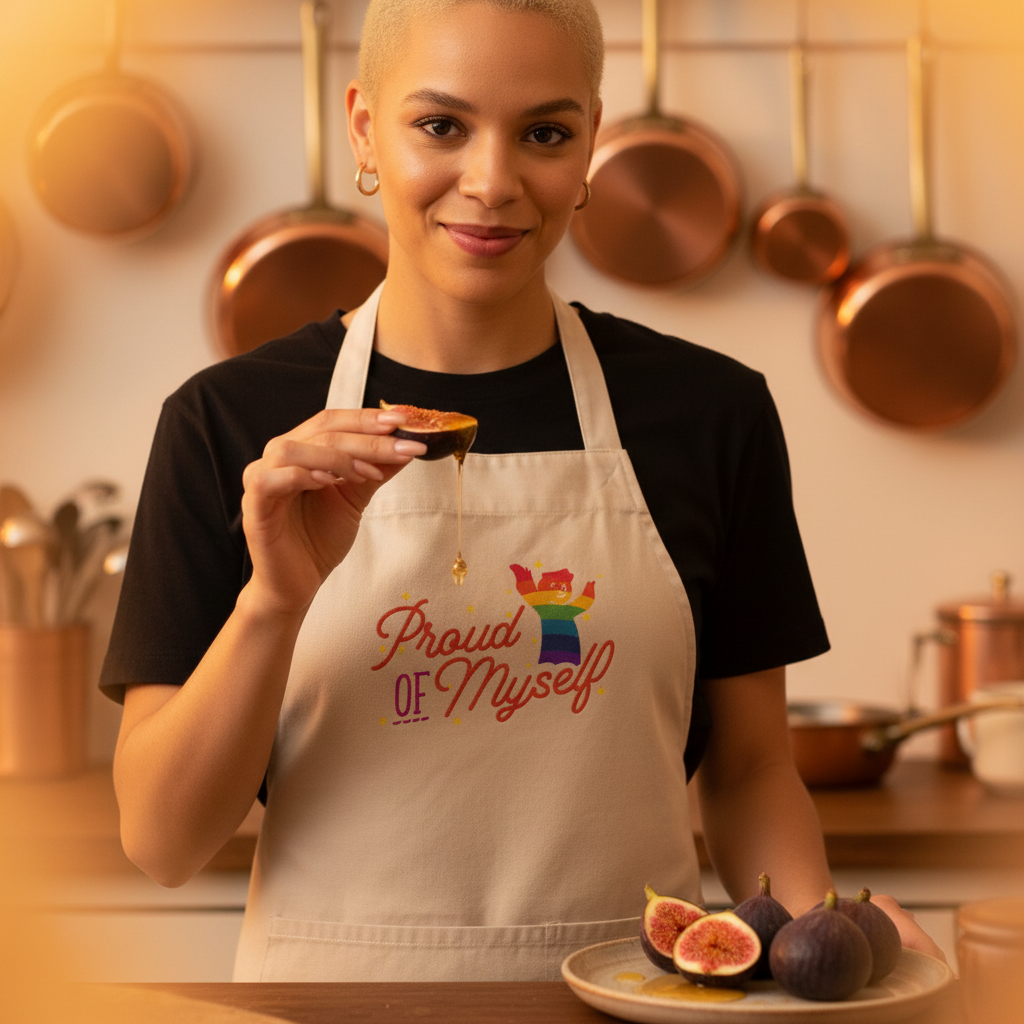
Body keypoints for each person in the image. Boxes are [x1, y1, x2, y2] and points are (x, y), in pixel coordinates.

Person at [102, 0, 944, 982]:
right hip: (328, 1001)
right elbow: (162, 844)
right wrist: (274, 600)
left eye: (544, 132)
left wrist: (821, 943)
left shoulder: (710, 411)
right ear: (365, 125)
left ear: (590, 139)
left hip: (634, 997)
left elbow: (754, 766)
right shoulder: (233, 426)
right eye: (440, 126)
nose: (492, 182)